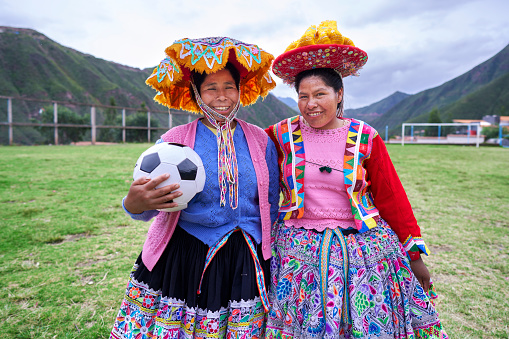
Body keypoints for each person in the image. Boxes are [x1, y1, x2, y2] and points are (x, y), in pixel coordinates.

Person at [264, 21, 448, 338]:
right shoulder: (279, 135)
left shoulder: (365, 137)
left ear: (339, 95)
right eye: (303, 96)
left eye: (320, 94)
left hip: (363, 248)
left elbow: (392, 198)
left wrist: (414, 257)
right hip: (297, 252)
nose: (311, 104)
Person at [110, 37, 280, 339]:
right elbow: (147, 203)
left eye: (229, 86)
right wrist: (133, 203)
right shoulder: (174, 141)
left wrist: (270, 249)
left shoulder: (261, 140)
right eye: (211, 88)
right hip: (188, 252)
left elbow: (270, 203)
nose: (222, 95)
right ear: (197, 93)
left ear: (240, 90)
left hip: (245, 256)